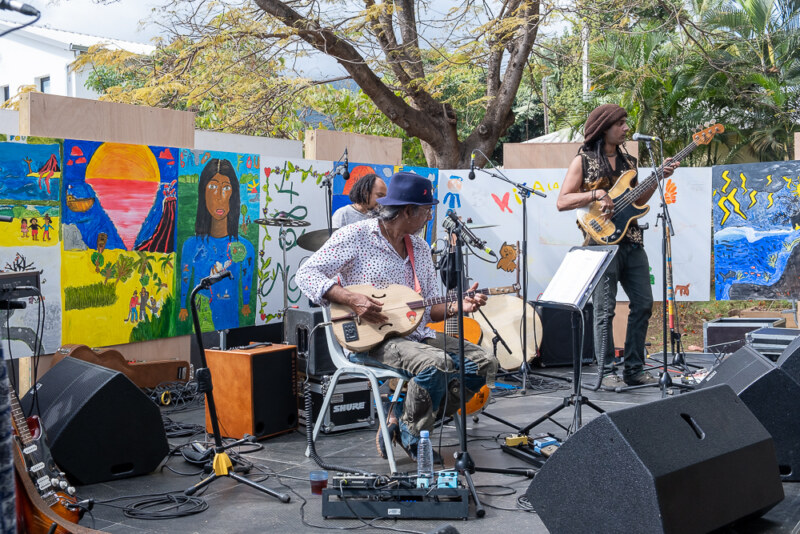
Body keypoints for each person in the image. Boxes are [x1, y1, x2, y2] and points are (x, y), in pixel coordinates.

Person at [297, 172, 497, 461]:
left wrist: (458, 306)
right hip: (369, 339)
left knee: (483, 364)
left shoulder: (419, 249)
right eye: (426, 210)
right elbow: (306, 274)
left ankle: (403, 419)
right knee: (437, 365)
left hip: (415, 335)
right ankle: (413, 434)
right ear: (408, 211)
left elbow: (428, 308)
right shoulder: (356, 236)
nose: (429, 217)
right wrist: (351, 299)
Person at [556, 103, 678, 388]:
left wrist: (659, 177)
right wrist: (596, 193)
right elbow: (562, 201)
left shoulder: (629, 163)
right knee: (604, 310)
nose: (626, 128)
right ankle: (607, 371)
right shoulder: (583, 161)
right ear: (603, 128)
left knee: (644, 304)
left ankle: (634, 368)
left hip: (632, 242)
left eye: (625, 123)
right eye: (620, 124)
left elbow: (638, 202)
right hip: (599, 245)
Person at [178, 158, 254, 331]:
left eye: (226, 188)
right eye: (212, 187)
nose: (219, 197)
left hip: (231, 324)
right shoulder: (191, 246)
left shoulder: (245, 247)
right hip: (202, 325)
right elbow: (186, 276)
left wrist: (246, 303)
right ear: (203, 191)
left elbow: (246, 277)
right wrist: (183, 306)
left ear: (233, 194)